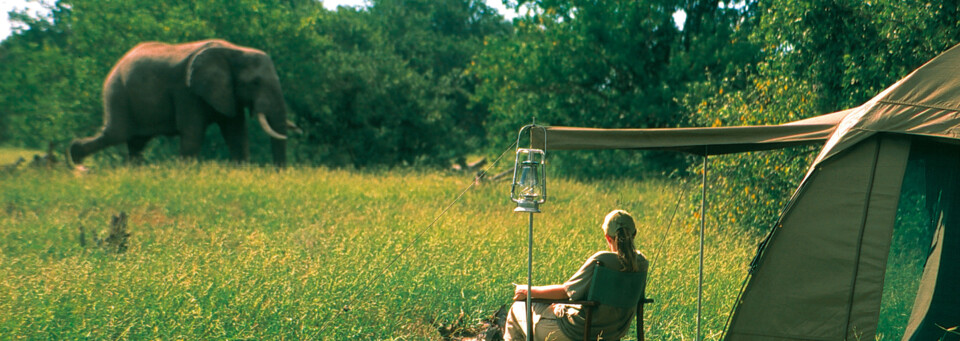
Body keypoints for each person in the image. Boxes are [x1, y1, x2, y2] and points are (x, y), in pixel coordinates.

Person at [504, 209, 649, 341]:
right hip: (611, 334)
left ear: (607, 237)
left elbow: (565, 292)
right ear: (634, 234)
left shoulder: (602, 260)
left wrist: (526, 291)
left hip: (575, 332)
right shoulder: (642, 263)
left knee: (518, 307)